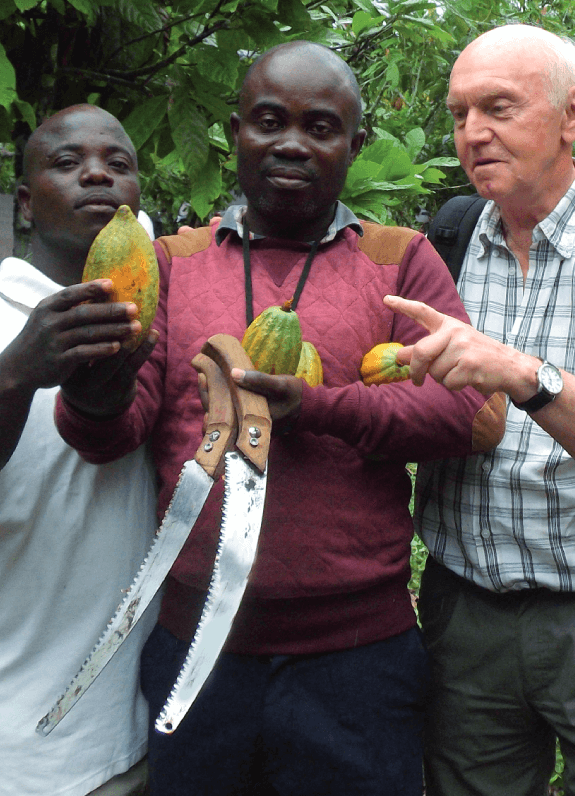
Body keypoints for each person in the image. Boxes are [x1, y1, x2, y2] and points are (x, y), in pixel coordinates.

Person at [55, 42, 503, 796]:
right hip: (196, 645)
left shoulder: (401, 259)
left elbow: (472, 413)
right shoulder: (171, 260)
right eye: (268, 121)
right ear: (235, 132)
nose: (292, 143)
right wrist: (95, 382)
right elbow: (110, 435)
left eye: (320, 126)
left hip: (357, 660)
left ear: (355, 145)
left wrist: (323, 408)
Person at [381, 23, 575, 796]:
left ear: (569, 118)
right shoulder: (449, 238)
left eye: (497, 106)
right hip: (467, 614)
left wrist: (525, 377)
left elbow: (512, 381)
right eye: (459, 112)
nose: (471, 133)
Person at [0, 104, 160, 795]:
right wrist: (16, 373)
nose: (97, 174)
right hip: (19, 753)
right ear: (26, 206)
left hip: (132, 738)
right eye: (68, 163)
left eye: (118, 165)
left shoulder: (158, 321)